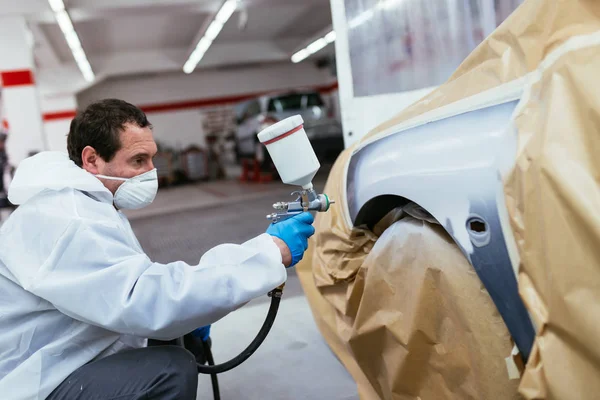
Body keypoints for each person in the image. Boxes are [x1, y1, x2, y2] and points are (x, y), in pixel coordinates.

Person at [0, 99, 315, 400]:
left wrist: (192, 314)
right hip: (36, 378)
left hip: (64, 347)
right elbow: (147, 299)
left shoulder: (86, 202)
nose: (152, 172)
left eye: (152, 158)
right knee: (170, 371)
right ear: (92, 159)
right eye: (138, 161)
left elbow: (134, 283)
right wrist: (270, 252)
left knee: (174, 332)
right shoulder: (71, 219)